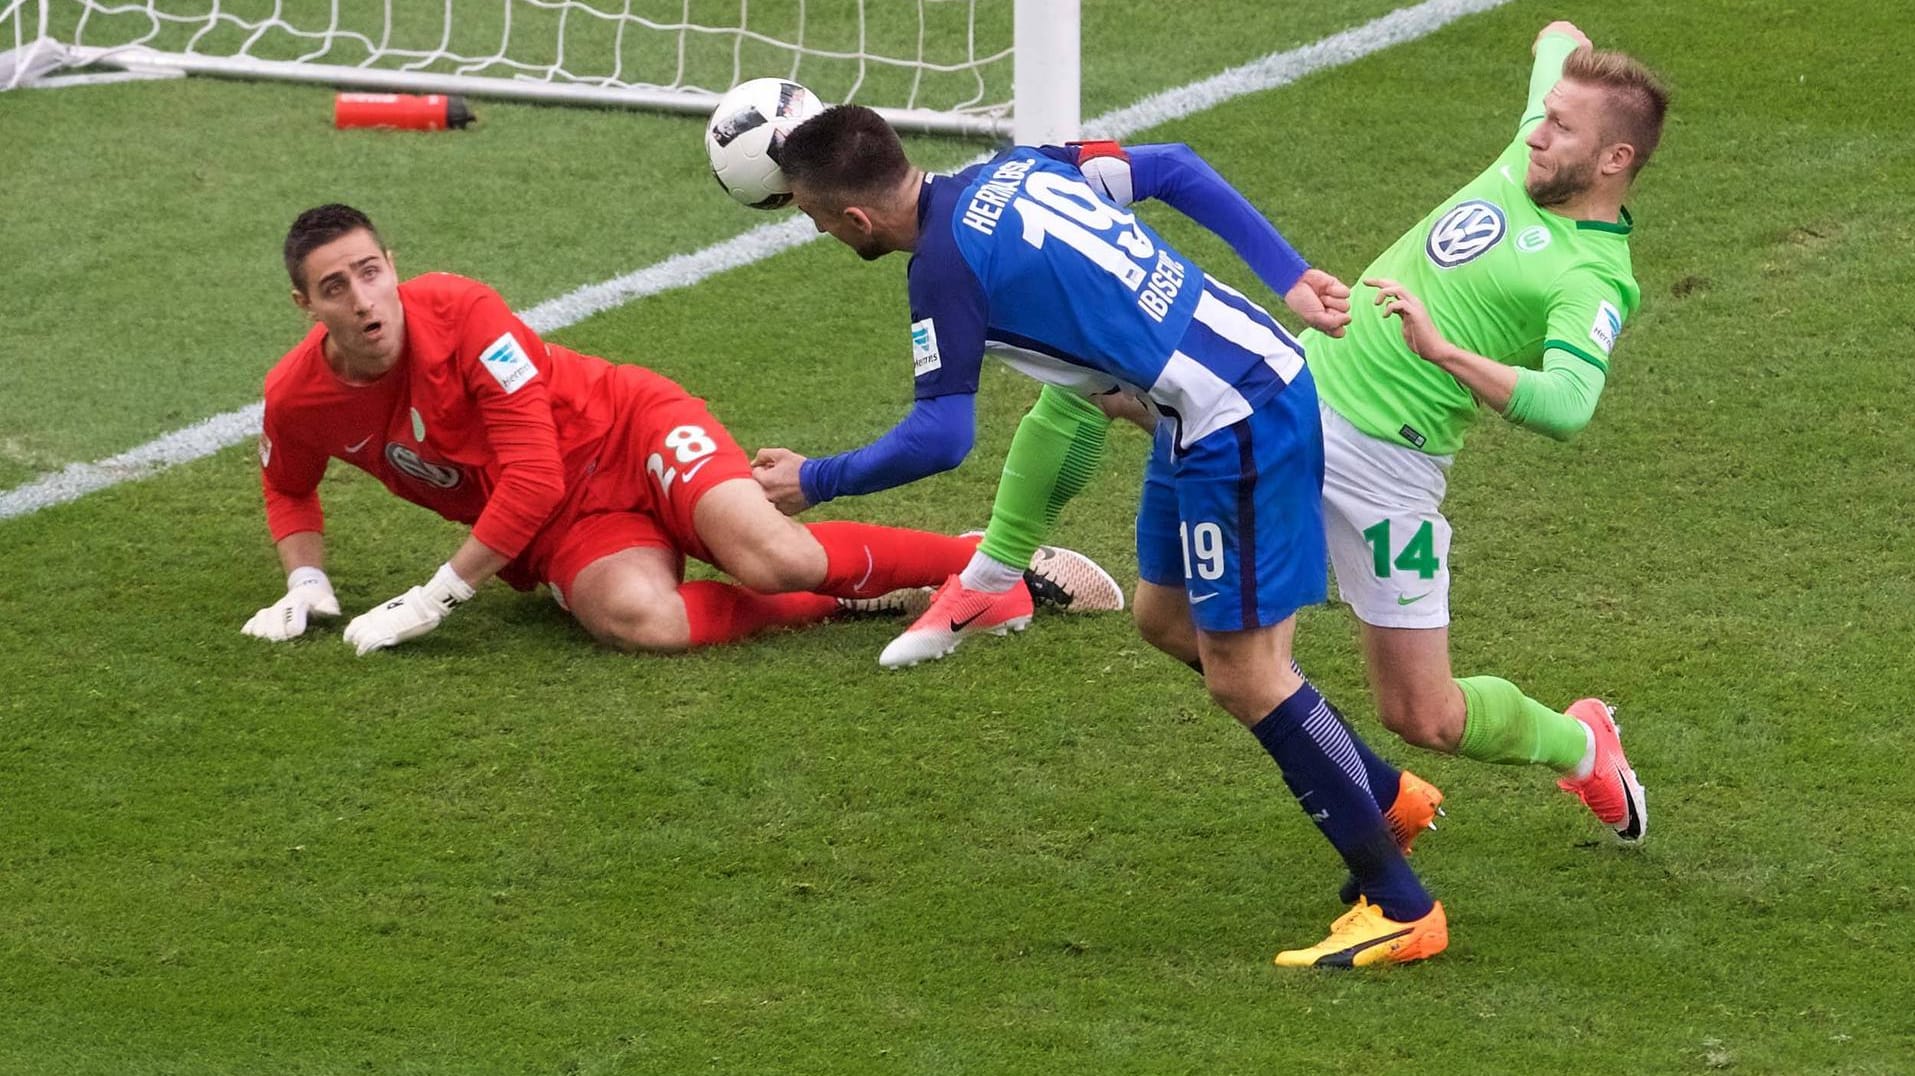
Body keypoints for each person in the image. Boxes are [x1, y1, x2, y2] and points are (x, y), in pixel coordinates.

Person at [756, 108, 1448, 967]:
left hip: (1234, 425)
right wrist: (1287, 275)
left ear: (855, 218)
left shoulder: (940, 269)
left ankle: (1400, 904)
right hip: (1211, 394)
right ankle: (1381, 796)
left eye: (816, 218)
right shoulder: (1019, 166)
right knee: (1165, 621)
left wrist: (812, 478)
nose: (821, 230)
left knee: (1244, 676)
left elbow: (941, 438)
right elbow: (1176, 167)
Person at [242, 203, 1108, 656]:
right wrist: (307, 582)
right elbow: (288, 482)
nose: (363, 301)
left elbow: (533, 472)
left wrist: (436, 597)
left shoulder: (465, 313)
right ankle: (870, 596)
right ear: (303, 306)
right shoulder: (298, 396)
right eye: (335, 288)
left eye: (369, 273)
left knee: (773, 556)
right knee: (636, 622)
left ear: (393, 266)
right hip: (566, 529)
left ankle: (987, 568)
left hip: (631, 431)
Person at [1301, 22, 1668, 845]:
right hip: (1295, 391)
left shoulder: (1591, 276)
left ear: (1614, 160)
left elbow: (1570, 404)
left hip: (1385, 470)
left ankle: (1580, 745)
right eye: (1541, 116)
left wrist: (1444, 352)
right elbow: (1557, 34)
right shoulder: (1534, 151)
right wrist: (1570, 65)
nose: (1534, 135)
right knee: (1180, 617)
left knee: (1422, 715)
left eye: (1561, 129)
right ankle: (999, 565)